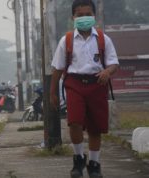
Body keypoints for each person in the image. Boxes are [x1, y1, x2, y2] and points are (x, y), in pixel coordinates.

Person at [49, 0, 119, 177]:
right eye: (80, 15)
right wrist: (53, 93)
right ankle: (78, 159)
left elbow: (113, 63)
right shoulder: (67, 40)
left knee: (96, 127)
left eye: (88, 14)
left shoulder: (103, 39)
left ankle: (94, 164)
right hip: (74, 84)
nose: (84, 18)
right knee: (74, 121)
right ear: (73, 17)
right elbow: (57, 69)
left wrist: (107, 72)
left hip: (97, 84)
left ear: (94, 16)